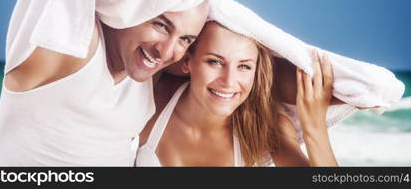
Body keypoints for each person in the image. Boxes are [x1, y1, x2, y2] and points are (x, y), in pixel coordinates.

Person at [0, 0, 242, 166]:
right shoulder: (70, 52)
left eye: (186, 39)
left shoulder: (149, 69)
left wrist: (292, 53)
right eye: (161, 25)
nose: (168, 51)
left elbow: (251, 57)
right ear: (131, 6)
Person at [136, 21, 338, 166]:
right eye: (215, 62)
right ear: (188, 61)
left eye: (244, 66)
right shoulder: (155, 96)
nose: (228, 81)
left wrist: (314, 128)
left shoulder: (267, 128)